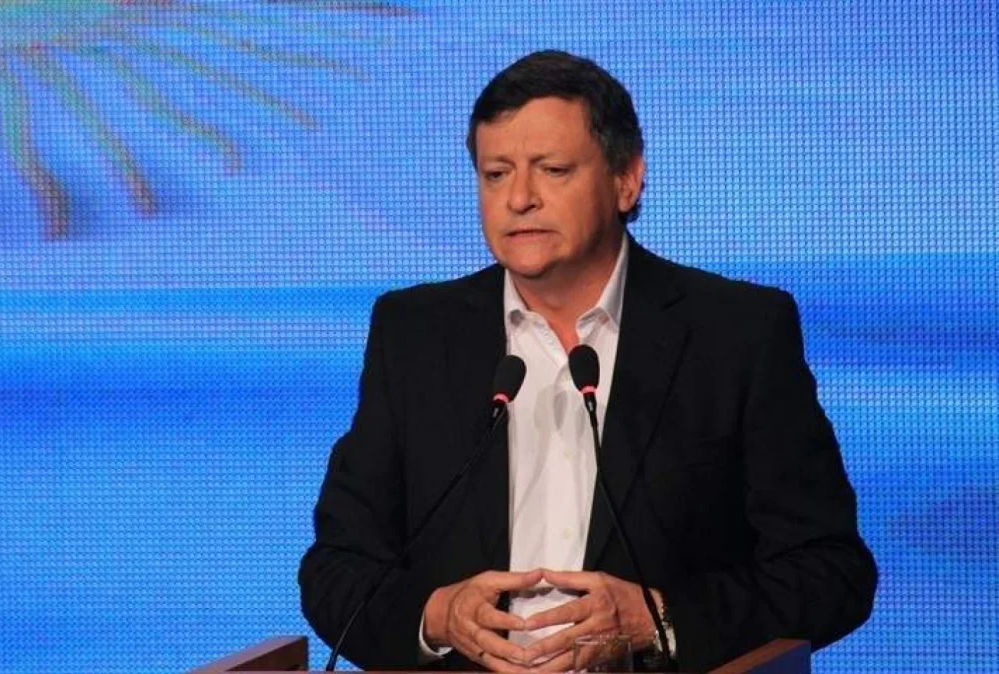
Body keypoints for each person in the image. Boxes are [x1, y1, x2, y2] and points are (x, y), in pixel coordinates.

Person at [299, 50, 876, 672]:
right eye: (495, 174)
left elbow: (830, 572)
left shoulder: (736, 334)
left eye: (552, 170)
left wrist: (659, 620)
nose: (519, 198)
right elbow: (336, 569)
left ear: (626, 180)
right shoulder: (414, 333)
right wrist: (437, 617)